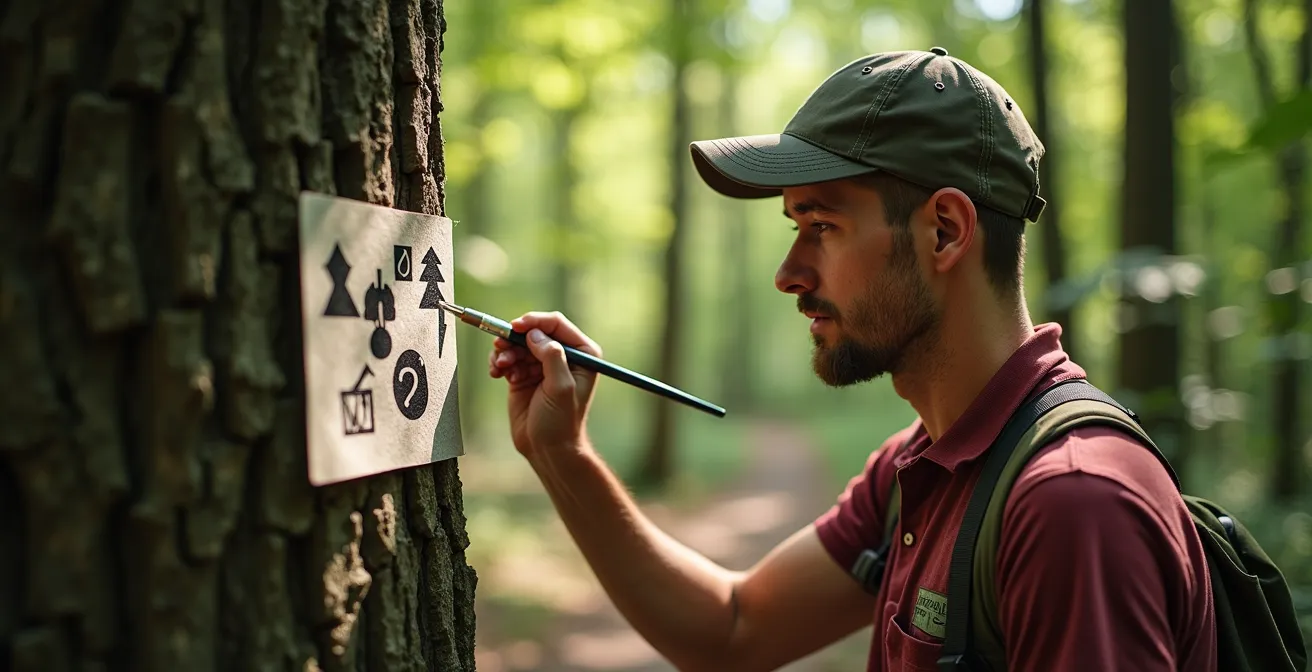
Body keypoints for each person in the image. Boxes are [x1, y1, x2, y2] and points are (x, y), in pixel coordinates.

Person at [486, 48, 1216, 672]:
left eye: (823, 225)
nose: (788, 273)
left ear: (944, 232)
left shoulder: (1071, 505)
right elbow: (733, 630)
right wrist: (563, 453)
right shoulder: (921, 468)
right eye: (794, 225)